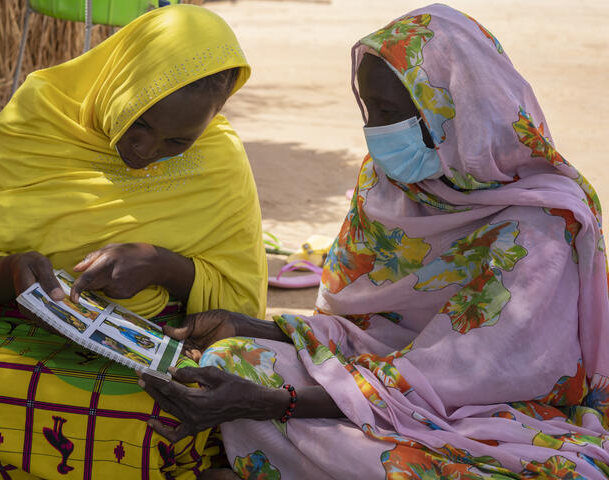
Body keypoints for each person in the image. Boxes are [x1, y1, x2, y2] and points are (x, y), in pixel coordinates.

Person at [141, 5, 609, 479]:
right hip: (370, 384)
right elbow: (358, 328)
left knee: (395, 467)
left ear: (453, 108)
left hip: (486, 411)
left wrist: (274, 404)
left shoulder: (541, 225)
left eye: (389, 112)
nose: (375, 131)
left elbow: (469, 376)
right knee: (233, 360)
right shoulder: (388, 185)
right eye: (368, 110)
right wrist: (247, 327)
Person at [0, 4, 266, 479]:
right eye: (139, 123)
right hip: (22, 332)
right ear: (118, 84)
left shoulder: (219, 161)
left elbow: (242, 300)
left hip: (157, 345)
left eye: (177, 144)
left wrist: (164, 266)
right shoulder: (39, 121)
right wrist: (12, 271)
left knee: (164, 413)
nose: (144, 152)